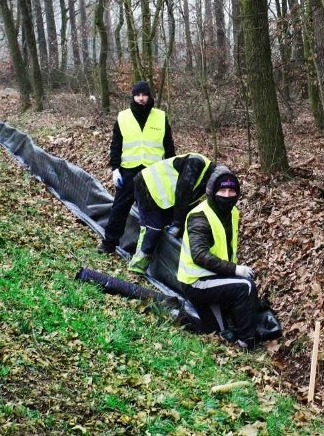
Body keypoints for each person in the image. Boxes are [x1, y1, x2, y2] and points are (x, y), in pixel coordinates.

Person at [176, 167, 260, 350]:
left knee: (221, 332)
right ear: (212, 191)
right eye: (222, 190)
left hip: (215, 276)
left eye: (232, 191)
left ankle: (234, 327)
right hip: (196, 281)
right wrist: (235, 270)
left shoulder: (232, 212)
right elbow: (199, 255)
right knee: (245, 287)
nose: (227, 195)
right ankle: (247, 343)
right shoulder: (200, 216)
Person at [98, 81, 175, 254]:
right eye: (138, 94)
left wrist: (171, 169)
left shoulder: (160, 117)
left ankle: (157, 250)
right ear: (133, 96)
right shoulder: (123, 117)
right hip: (129, 171)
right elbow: (116, 145)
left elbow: (168, 146)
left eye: (144, 94)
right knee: (119, 208)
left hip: (153, 172)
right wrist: (115, 168)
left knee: (157, 210)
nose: (141, 98)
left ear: (149, 96)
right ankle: (109, 243)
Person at [128, 152, 215, 273]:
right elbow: (182, 193)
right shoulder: (196, 163)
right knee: (153, 229)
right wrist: (177, 222)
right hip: (147, 184)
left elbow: (190, 203)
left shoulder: (206, 182)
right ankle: (136, 267)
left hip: (163, 197)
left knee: (165, 230)